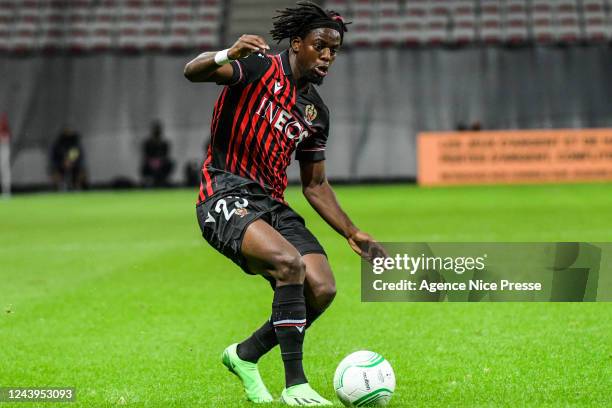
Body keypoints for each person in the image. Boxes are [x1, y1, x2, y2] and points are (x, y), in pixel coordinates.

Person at [184, 2, 384, 405]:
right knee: (289, 265)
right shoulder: (257, 67)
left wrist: (352, 231)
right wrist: (227, 54)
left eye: (334, 51)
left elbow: (316, 184)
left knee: (323, 288)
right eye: (320, 46)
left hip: (271, 203)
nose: (328, 56)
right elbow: (193, 71)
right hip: (225, 192)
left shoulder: (316, 112)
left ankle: (245, 355)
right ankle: (296, 385)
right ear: (297, 44)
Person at [50, 127, 87, 191]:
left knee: (82, 172)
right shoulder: (58, 144)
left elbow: (79, 156)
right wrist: (61, 163)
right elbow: (53, 158)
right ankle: (58, 188)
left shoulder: (76, 143)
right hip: (60, 165)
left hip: (75, 165)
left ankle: (78, 188)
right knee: (55, 173)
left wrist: (71, 161)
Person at [141, 120, 174, 187]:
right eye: (155, 130)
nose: (157, 132)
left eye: (158, 130)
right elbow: (146, 155)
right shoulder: (147, 143)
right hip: (150, 163)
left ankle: (163, 180)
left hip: (162, 163)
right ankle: (150, 180)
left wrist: (159, 161)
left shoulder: (164, 143)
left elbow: (166, 155)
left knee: (169, 163)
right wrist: (152, 162)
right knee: (146, 165)